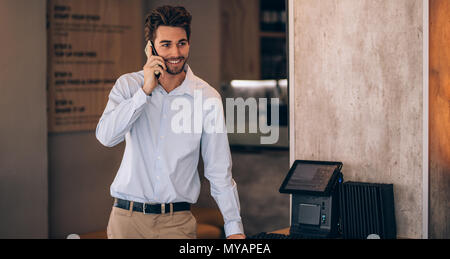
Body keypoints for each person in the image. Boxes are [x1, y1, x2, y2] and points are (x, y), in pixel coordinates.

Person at [96, 5, 245, 239]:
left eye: (182, 43)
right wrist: (144, 91)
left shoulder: (207, 98)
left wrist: (234, 228)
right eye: (166, 44)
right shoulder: (128, 86)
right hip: (127, 220)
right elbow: (106, 137)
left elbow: (219, 170)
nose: (176, 52)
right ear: (151, 47)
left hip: (176, 224)